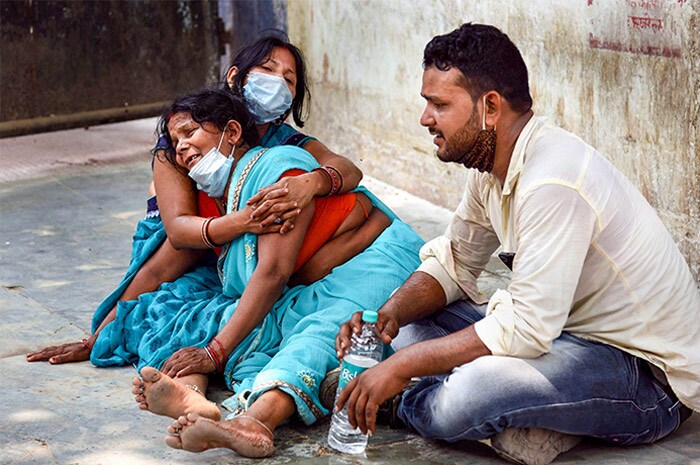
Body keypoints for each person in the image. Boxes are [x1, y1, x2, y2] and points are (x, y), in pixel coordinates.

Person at [334, 23, 699, 465]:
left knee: (474, 391)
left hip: (643, 379)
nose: (425, 118)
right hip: (561, 337)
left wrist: (399, 370)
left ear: (490, 107)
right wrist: (387, 316)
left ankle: (403, 403)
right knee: (407, 328)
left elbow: (526, 327)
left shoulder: (553, 180)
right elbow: (453, 265)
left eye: (440, 104)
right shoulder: (489, 166)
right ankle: (530, 421)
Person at [113, 88, 421, 458]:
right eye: (176, 141)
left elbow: (273, 273)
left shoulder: (278, 170)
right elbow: (172, 258)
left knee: (324, 331)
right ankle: (196, 400)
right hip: (316, 280)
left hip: (376, 261)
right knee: (212, 315)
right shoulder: (215, 198)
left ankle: (256, 422)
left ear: (231, 131)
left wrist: (215, 351)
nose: (181, 148)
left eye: (190, 132)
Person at [26, 33, 363, 365]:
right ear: (235, 76)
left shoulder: (284, 143)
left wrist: (312, 183)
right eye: (267, 70)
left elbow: (347, 171)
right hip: (190, 244)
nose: (277, 83)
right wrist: (97, 337)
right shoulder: (186, 135)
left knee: (248, 307)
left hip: (240, 251)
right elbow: (178, 237)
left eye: (289, 80)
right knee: (159, 315)